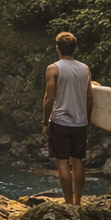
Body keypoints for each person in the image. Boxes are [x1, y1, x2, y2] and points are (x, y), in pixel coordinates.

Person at [41, 31, 93, 205]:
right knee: (77, 160)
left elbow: (49, 98)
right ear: (75, 49)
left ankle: (68, 202)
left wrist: (45, 122)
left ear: (58, 49)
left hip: (60, 121)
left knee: (62, 161)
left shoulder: (53, 68)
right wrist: (88, 121)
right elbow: (89, 98)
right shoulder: (85, 69)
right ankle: (78, 201)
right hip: (81, 122)